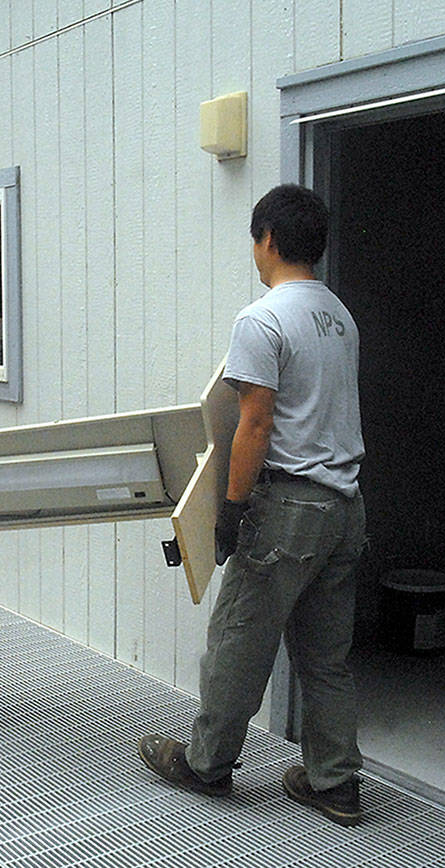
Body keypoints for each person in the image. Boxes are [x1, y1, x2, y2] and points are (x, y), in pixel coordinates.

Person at [137, 184, 368, 826]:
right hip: (345, 506)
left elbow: (256, 424)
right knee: (325, 655)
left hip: (288, 508)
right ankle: (334, 781)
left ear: (267, 239)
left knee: (240, 637)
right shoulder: (340, 317)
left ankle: (206, 764)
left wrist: (232, 509)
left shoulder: (262, 319)